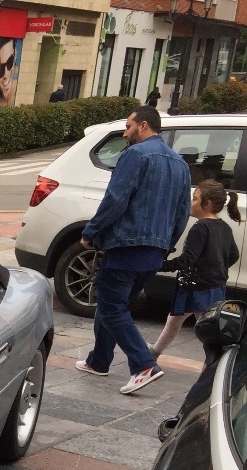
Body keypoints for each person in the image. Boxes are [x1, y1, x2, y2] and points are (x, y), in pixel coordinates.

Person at [76, 106, 192, 394]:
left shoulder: (135, 155)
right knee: (114, 304)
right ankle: (99, 361)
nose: (126, 133)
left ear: (143, 126)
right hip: (154, 250)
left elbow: (116, 199)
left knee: (112, 306)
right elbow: (182, 212)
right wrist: (165, 244)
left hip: (126, 245)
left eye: (128, 127)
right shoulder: (180, 164)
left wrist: (91, 233)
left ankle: (144, 365)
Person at [150, 179, 241, 356]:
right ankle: (155, 351)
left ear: (206, 204)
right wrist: (217, 268)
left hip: (197, 287)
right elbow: (234, 255)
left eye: (195, 199)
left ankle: (214, 363)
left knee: (206, 329)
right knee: (175, 319)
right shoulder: (224, 227)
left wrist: (158, 265)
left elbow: (187, 260)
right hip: (213, 285)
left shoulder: (200, 228)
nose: (191, 203)